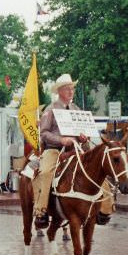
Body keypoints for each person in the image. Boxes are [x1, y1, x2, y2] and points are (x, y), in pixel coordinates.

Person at [33, 74, 93, 228]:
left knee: (95, 169)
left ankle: (101, 209)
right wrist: (61, 140)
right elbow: (44, 133)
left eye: (72, 88)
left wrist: (84, 139)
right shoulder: (50, 109)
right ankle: (41, 211)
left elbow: (83, 132)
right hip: (55, 150)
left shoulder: (76, 109)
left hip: (75, 150)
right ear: (59, 91)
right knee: (46, 173)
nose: (71, 91)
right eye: (67, 88)